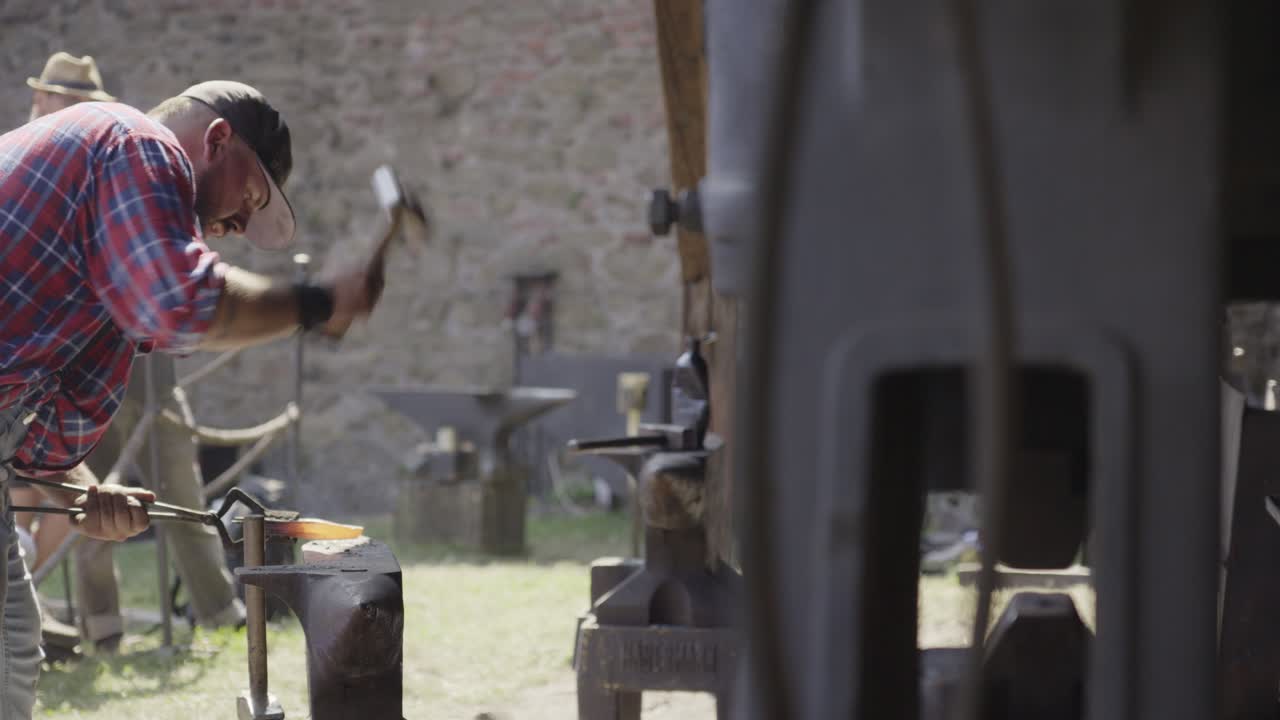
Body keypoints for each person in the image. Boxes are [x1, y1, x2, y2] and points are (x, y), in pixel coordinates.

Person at [0, 79, 387, 718]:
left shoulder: (114, 271)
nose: (236, 227)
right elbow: (183, 305)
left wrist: (84, 490)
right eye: (250, 199)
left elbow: (45, 440)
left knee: (12, 653)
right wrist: (316, 304)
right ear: (215, 141)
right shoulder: (134, 141)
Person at [14, 53, 248, 657]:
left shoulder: (117, 155)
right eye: (48, 96)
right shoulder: (38, 168)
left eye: (62, 97)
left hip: (134, 364)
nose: (51, 106)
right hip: (62, 373)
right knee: (91, 499)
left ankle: (219, 611)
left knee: (168, 489)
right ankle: (100, 631)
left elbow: (161, 294)